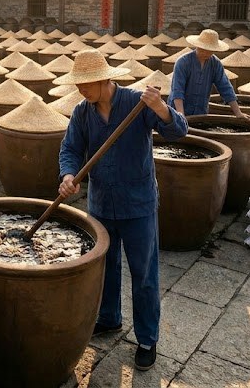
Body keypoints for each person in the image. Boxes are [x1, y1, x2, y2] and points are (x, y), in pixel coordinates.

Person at [56, 49, 188, 372]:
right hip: (102, 204)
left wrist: (162, 108)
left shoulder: (136, 104)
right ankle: (109, 317)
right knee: (106, 267)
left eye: (86, 84)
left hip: (138, 203)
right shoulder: (82, 113)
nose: (81, 90)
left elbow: (179, 131)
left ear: (103, 80)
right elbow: (70, 149)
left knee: (144, 272)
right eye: (79, 85)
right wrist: (68, 175)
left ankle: (146, 337)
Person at [169, 28, 250, 118]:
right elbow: (177, 91)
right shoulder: (183, 62)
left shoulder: (215, 63)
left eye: (209, 50)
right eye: (203, 49)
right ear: (197, 46)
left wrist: (238, 113)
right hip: (178, 111)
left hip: (201, 111)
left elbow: (225, 88)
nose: (206, 53)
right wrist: (181, 116)